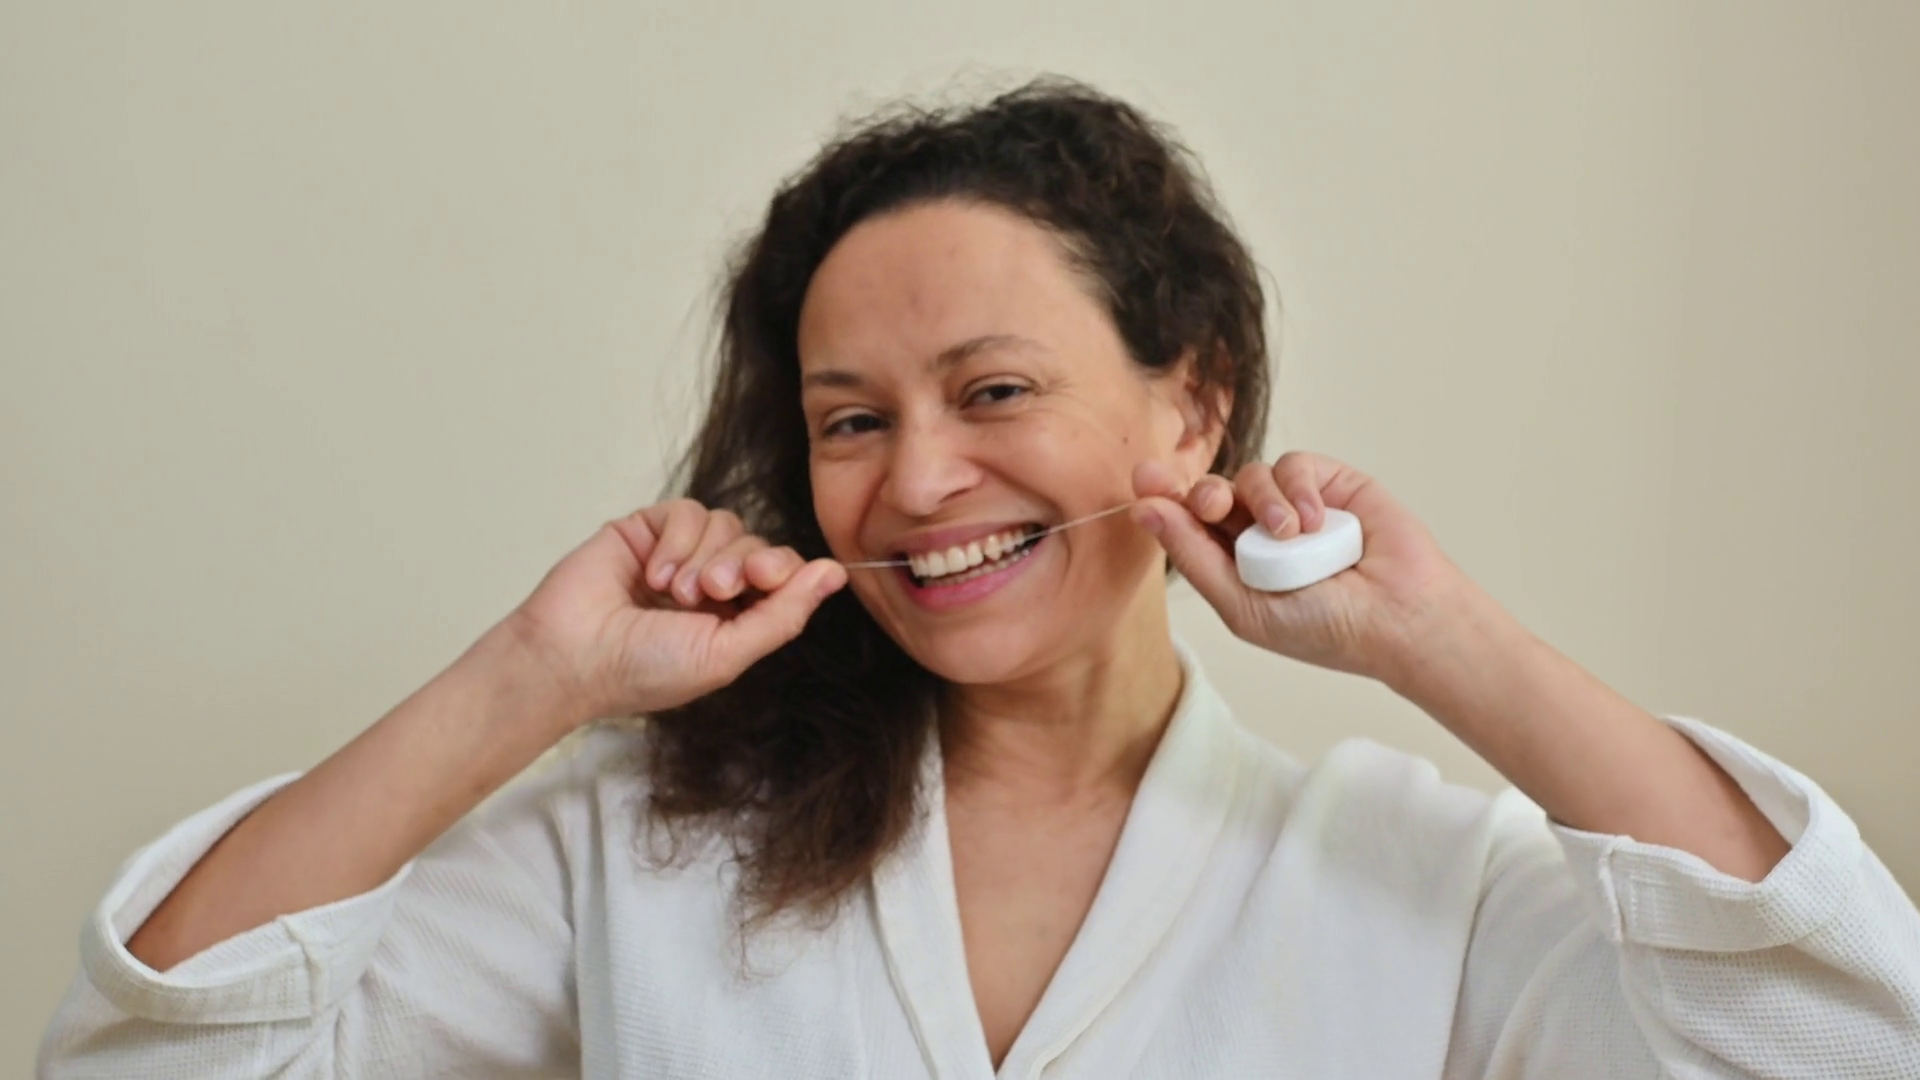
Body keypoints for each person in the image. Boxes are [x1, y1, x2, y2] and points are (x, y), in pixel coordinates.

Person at [37, 77, 1920, 1079]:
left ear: (1194, 403)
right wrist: (536, 675)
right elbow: (141, 1060)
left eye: (995, 391)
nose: (919, 478)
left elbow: (1847, 1045)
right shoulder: (645, 844)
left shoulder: (1418, 880)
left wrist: (1442, 644)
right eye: (849, 420)